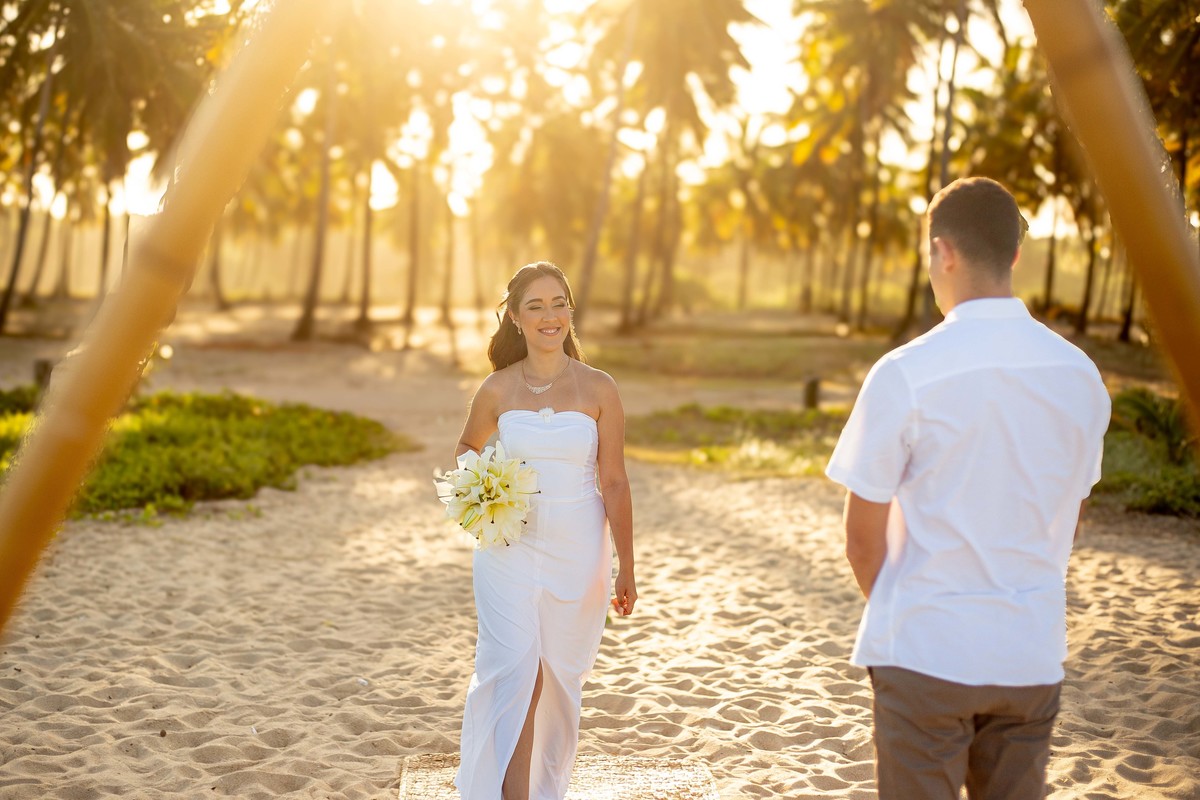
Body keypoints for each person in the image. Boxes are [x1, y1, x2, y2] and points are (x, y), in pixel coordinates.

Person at [825, 177, 1110, 800]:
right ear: (1013, 255)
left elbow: (861, 541)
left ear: (943, 252)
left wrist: (912, 614)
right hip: (1029, 657)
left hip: (926, 653)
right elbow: (1072, 519)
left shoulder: (905, 372)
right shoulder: (1082, 376)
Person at [452, 261, 637, 800]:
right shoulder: (497, 389)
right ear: (514, 318)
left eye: (558, 303)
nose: (549, 316)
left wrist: (626, 564)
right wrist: (487, 493)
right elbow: (467, 449)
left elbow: (616, 481)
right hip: (508, 547)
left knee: (555, 679)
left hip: (578, 548)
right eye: (534, 306)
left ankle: (542, 787)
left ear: (570, 312)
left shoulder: (599, 388)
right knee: (512, 668)